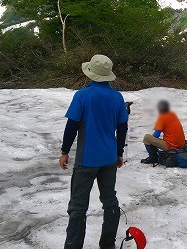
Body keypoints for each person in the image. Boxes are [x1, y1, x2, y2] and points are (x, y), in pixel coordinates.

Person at [59, 54, 129, 249]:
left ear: (91, 73)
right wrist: (119, 153)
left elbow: (72, 126)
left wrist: (65, 151)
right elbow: (122, 127)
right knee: (109, 201)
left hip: (86, 159)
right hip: (109, 159)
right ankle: (107, 245)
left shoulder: (82, 96)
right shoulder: (117, 97)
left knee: (78, 207)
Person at [141, 100, 186, 164]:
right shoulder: (173, 114)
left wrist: (153, 141)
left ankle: (153, 158)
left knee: (147, 138)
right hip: (181, 144)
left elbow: (156, 135)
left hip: (171, 146)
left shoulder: (162, 117)